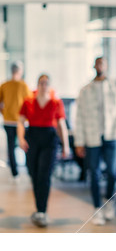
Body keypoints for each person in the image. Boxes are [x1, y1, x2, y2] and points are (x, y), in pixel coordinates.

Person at [74, 57, 116, 226]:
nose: (100, 66)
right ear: (94, 66)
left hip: (112, 135)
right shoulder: (85, 90)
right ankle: (96, 208)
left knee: (113, 172)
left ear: (106, 66)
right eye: (98, 63)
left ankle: (109, 202)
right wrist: (79, 141)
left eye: (103, 63)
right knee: (93, 173)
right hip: (92, 136)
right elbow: (79, 117)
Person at [17, 74, 70, 227]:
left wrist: (65, 146)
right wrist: (21, 139)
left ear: (49, 85)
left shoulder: (56, 103)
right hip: (32, 137)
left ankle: (42, 210)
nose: (44, 85)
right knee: (33, 173)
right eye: (41, 83)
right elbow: (20, 122)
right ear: (38, 85)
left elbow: (61, 125)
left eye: (46, 83)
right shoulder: (28, 102)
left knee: (44, 174)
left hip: (49, 139)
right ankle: (38, 207)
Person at [0, 61, 32, 179]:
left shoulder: (4, 85)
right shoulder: (23, 86)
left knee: (11, 147)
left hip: (8, 120)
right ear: (20, 71)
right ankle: (29, 170)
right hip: (21, 121)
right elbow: (30, 102)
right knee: (25, 145)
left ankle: (15, 173)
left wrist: (4, 113)